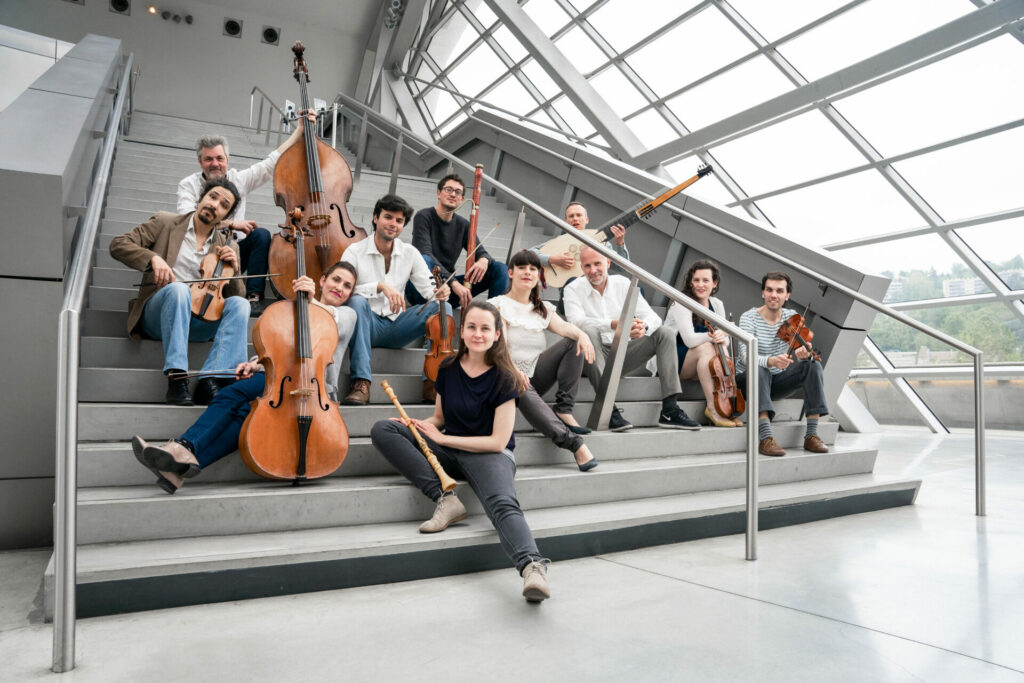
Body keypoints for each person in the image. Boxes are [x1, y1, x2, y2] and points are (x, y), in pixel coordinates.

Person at [370, 301, 551, 602]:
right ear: (462, 331)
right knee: (384, 429)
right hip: (451, 448)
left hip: (490, 455)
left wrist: (444, 441)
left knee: (503, 504)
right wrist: (416, 426)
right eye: (471, 327)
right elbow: (440, 419)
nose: (477, 334)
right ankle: (446, 499)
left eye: (485, 328)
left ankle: (532, 566)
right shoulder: (448, 367)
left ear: (496, 335)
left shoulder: (506, 376)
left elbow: (497, 441)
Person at [130, 263, 358, 494]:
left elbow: (331, 323)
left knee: (235, 397)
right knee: (241, 411)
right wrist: (255, 363)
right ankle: (178, 464)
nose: (340, 287)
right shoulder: (293, 311)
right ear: (322, 280)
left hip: (314, 389)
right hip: (279, 379)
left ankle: (182, 450)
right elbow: (279, 348)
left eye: (347, 285)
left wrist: (309, 302)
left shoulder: (347, 315)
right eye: (336, 280)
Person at [110, 178, 249, 406]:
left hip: (201, 322)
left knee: (241, 306)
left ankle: (210, 380)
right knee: (178, 290)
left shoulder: (229, 246)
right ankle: (177, 376)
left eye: (224, 205)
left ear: (226, 217)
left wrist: (234, 270)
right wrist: (153, 258)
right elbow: (118, 244)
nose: (215, 205)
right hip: (160, 314)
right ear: (201, 197)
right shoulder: (165, 222)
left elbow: (237, 296)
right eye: (213, 197)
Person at [176, 112, 314, 314]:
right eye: (208, 159)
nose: (215, 163)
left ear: (228, 160)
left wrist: (300, 130)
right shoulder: (188, 185)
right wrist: (231, 224)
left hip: (235, 252)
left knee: (261, 235)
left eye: (219, 158)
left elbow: (270, 164)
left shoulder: (238, 179)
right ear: (200, 162)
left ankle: (253, 297)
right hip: (203, 249)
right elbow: (188, 218)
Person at [563, 246, 699, 432]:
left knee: (665, 333)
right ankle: (609, 409)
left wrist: (642, 328)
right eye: (587, 266)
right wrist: (614, 324)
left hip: (621, 353)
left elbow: (654, 318)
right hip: (590, 357)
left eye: (597, 263)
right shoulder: (572, 288)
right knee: (587, 330)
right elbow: (575, 322)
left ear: (608, 263)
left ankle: (670, 410)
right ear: (581, 267)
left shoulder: (622, 283)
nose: (593, 270)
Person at [491, 250, 597, 471]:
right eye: (522, 268)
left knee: (572, 340)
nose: (528, 272)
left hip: (533, 374)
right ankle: (573, 443)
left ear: (539, 275)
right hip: (503, 376)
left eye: (533, 269)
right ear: (510, 273)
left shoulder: (541, 308)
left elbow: (565, 328)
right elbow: (500, 349)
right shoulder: (498, 305)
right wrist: (514, 370)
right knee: (514, 378)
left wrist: (583, 335)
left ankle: (564, 409)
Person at [341, 194, 452, 405]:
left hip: (397, 326)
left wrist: (439, 293)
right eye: (388, 217)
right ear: (375, 218)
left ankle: (432, 382)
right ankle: (361, 383)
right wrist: (379, 287)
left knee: (442, 307)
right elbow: (343, 290)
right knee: (356, 302)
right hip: (366, 326)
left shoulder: (410, 252)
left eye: (399, 221)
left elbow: (428, 289)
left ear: (403, 226)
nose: (393, 224)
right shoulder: (354, 251)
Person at [734, 272, 830, 457]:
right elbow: (745, 357)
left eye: (779, 291)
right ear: (763, 293)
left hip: (776, 381)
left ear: (787, 296)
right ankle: (766, 437)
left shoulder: (792, 316)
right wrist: (771, 360)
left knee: (812, 364)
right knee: (760, 368)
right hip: (749, 380)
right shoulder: (749, 318)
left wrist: (803, 353)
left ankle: (812, 435)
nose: (773, 295)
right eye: (769, 290)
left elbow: (799, 347)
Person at [407, 173, 509, 309]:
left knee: (500, 268)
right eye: (448, 189)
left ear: (461, 199)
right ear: (439, 193)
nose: (453, 194)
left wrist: (484, 260)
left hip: (449, 292)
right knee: (425, 259)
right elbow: (425, 253)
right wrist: (454, 283)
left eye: (457, 192)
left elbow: (482, 252)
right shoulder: (424, 216)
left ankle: (493, 317)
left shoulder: (463, 225)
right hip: (421, 289)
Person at [666, 259, 743, 428]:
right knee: (708, 345)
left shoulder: (717, 304)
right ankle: (713, 409)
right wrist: (713, 336)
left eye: (706, 280)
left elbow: (724, 343)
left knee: (720, 346)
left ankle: (728, 407)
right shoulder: (682, 302)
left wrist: (724, 335)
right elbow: (689, 339)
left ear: (714, 283)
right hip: (673, 361)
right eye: (696, 280)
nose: (700, 285)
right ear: (690, 282)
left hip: (700, 361)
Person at [531, 200, 629, 274]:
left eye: (579, 215)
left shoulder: (603, 243)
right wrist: (552, 259)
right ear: (566, 221)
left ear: (586, 220)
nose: (575, 219)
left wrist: (620, 243)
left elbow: (622, 268)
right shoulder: (561, 242)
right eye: (571, 216)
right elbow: (529, 254)